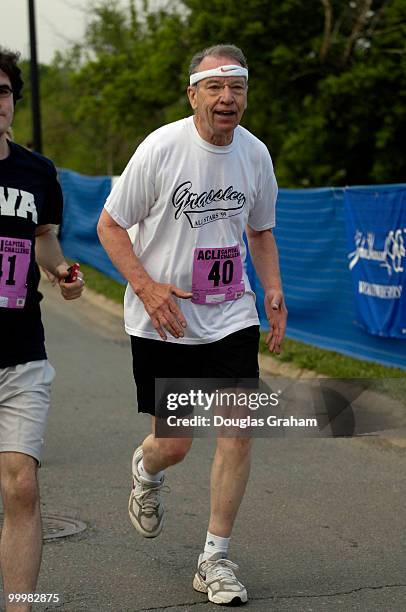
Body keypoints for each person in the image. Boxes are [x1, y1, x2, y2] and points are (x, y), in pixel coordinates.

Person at [97, 44, 287, 606]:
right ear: (193, 94)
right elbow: (110, 227)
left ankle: (216, 558)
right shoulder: (161, 148)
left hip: (231, 311)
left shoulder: (255, 155)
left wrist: (272, 288)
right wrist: (149, 288)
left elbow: (260, 231)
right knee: (175, 444)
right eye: (215, 87)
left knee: (237, 430)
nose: (227, 98)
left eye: (238, 88)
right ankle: (146, 468)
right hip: (167, 317)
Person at [0, 48, 84, 611]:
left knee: (21, 484)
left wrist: (60, 271)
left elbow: (44, 237)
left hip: (21, 348)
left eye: (3, 92)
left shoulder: (37, 171)